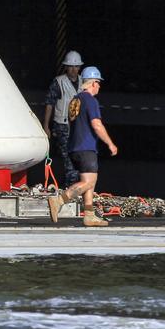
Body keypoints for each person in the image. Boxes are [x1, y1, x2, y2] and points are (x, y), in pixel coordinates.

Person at [58, 66, 118, 227]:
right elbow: (97, 125)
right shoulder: (91, 100)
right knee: (89, 182)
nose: (99, 86)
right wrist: (110, 143)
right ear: (93, 83)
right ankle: (59, 200)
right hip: (86, 147)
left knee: (89, 180)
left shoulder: (75, 100)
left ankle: (89, 215)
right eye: (98, 83)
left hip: (73, 147)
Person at [42, 50, 84, 192]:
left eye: (76, 66)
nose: (74, 69)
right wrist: (46, 125)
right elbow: (50, 103)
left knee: (78, 159)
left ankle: (73, 189)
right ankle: (70, 190)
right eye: (71, 66)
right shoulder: (59, 82)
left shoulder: (83, 82)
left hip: (78, 126)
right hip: (62, 126)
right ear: (66, 67)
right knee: (69, 160)